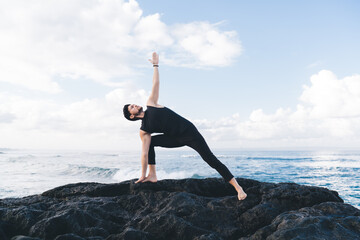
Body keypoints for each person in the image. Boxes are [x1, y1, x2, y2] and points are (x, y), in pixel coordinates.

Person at [123, 52, 247, 201]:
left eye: (133, 104)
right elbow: (144, 153)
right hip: (174, 138)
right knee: (150, 143)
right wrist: (142, 175)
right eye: (132, 107)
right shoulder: (144, 130)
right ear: (132, 116)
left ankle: (238, 187)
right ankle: (152, 175)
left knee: (210, 159)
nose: (135, 104)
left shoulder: (151, 104)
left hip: (189, 133)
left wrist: (155, 65)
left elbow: (155, 84)